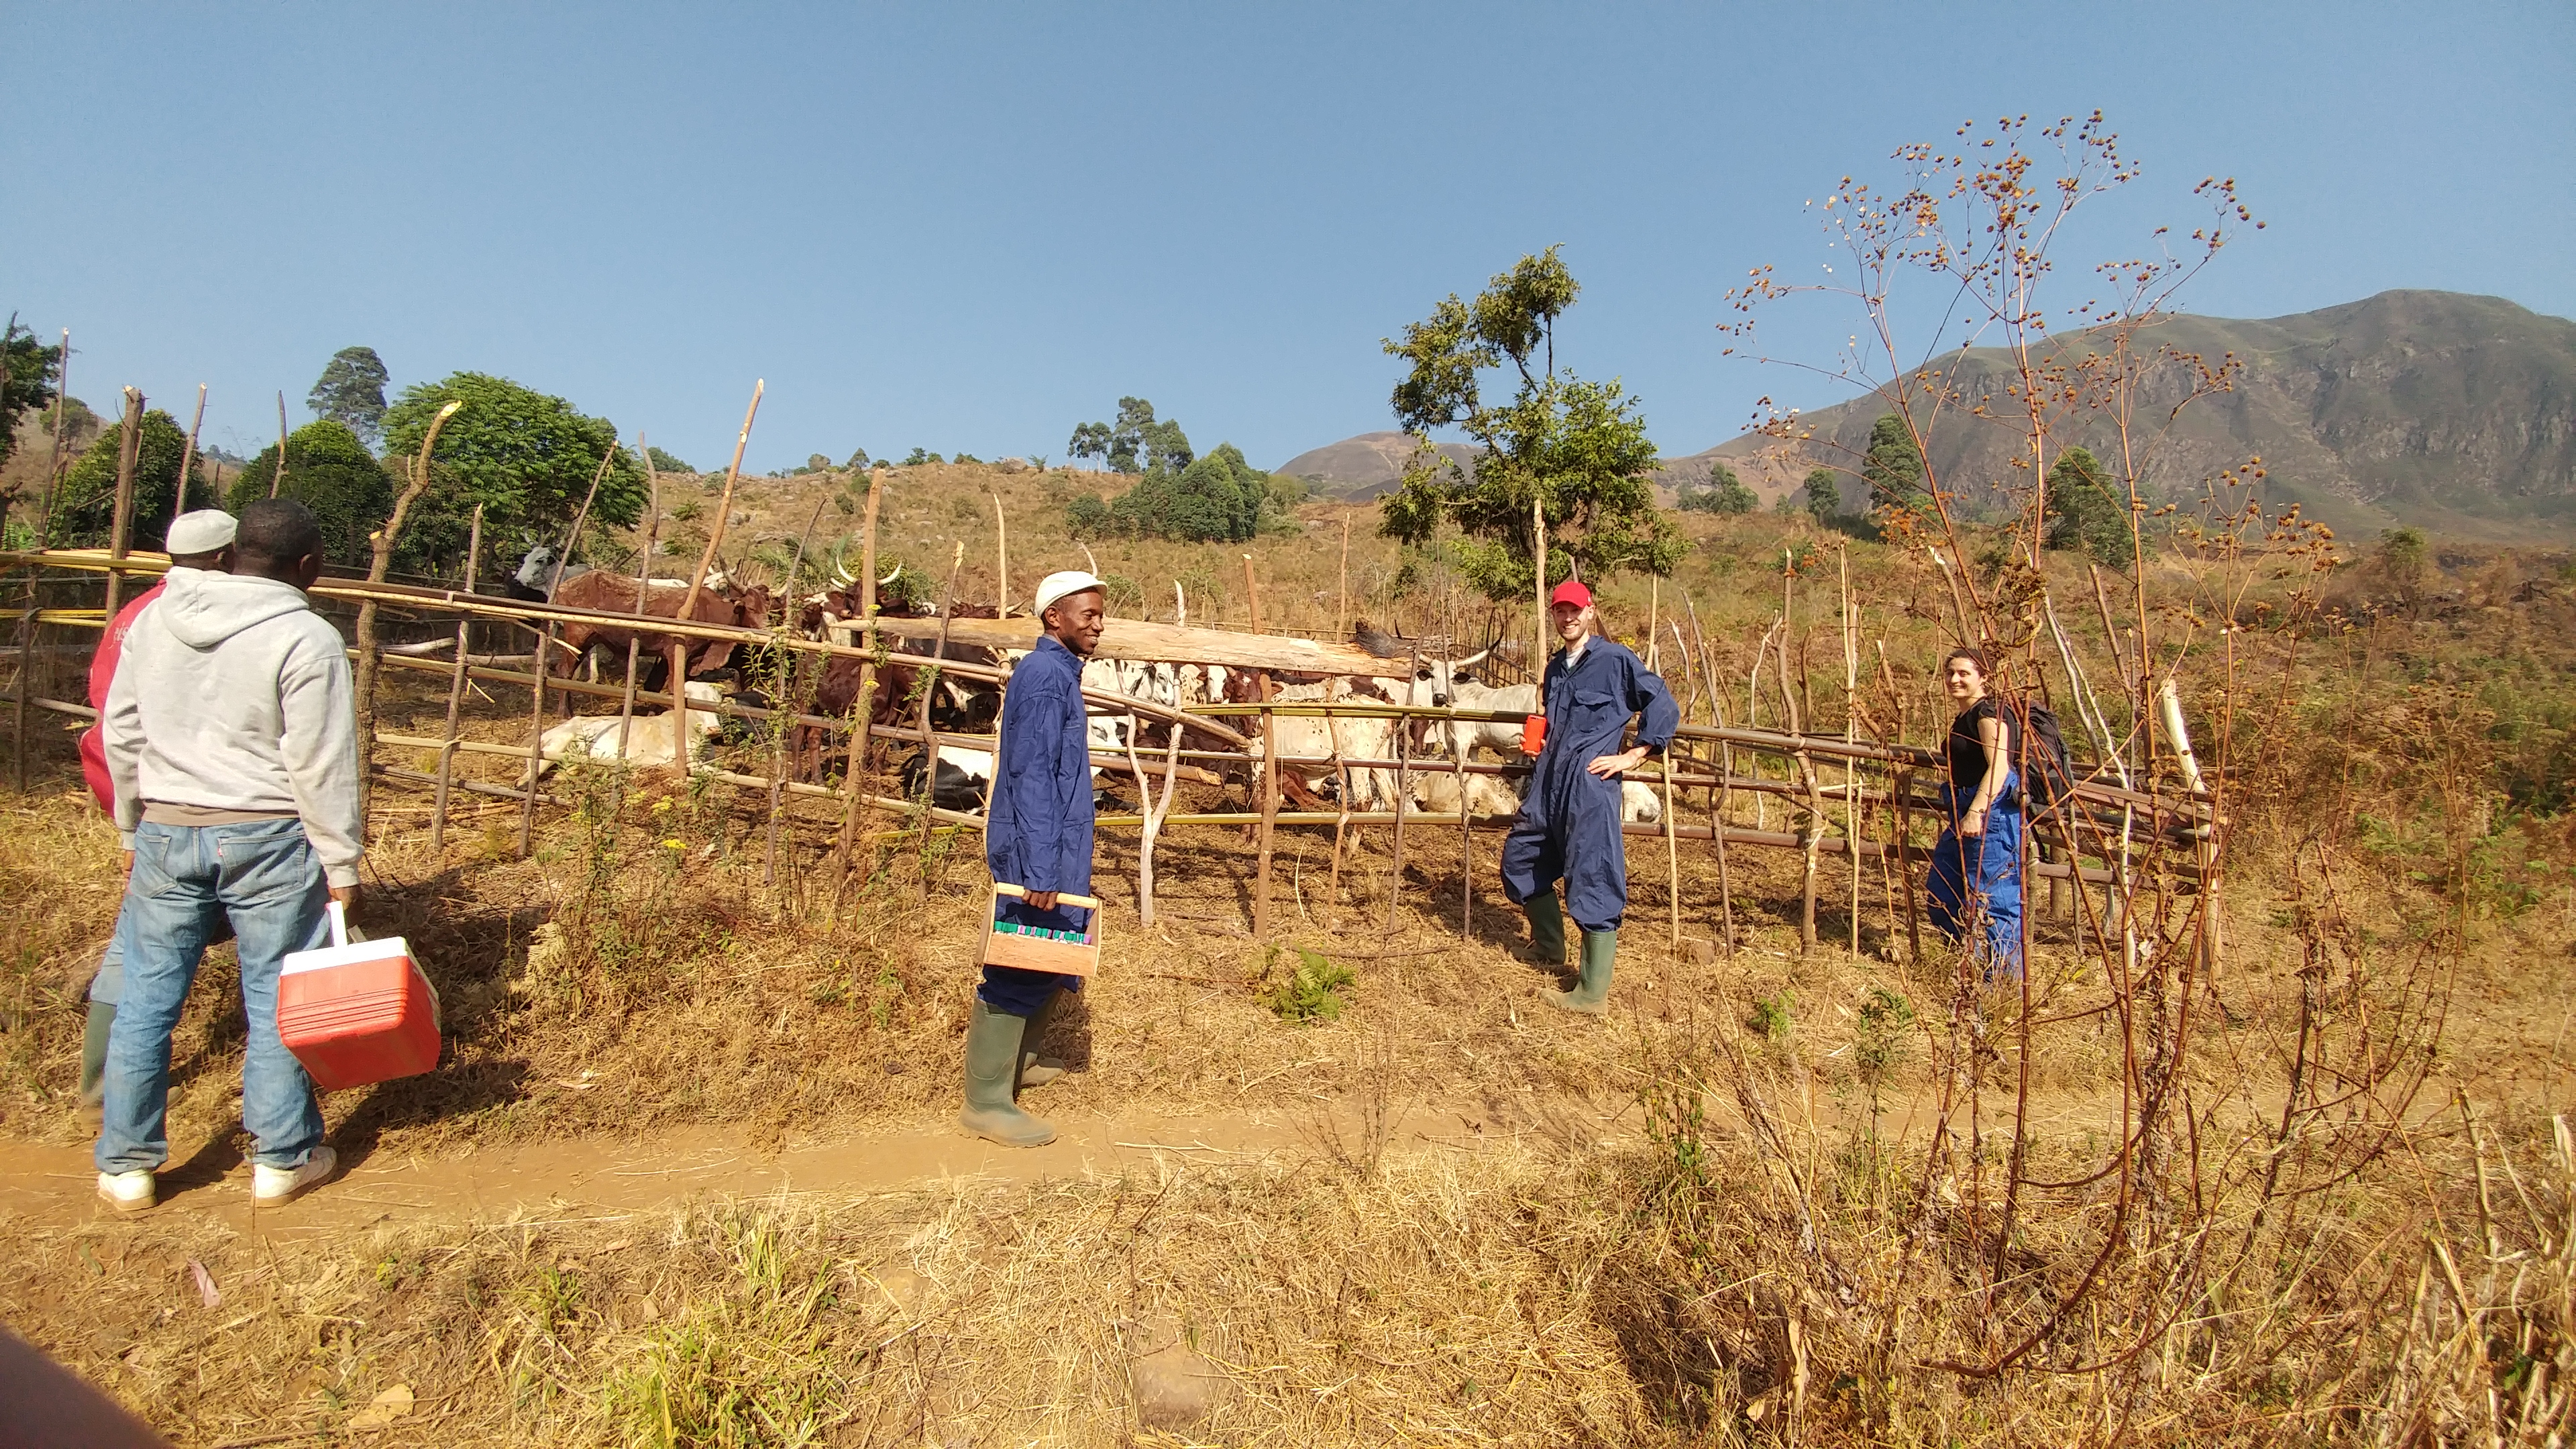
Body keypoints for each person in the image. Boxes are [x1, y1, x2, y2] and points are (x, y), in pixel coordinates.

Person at [93, 499, 361, 1212]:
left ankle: (126, 1164)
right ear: (307, 566)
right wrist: (341, 863)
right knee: (276, 997)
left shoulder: (153, 620)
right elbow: (319, 761)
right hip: (268, 834)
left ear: (235, 550)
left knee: (148, 997)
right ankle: (282, 1158)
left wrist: (131, 823)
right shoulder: (305, 637)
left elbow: (120, 728)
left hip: (166, 825)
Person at [72, 511, 238, 1108]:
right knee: (276, 933)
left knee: (141, 943)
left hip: (149, 802)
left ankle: (103, 1090)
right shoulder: (230, 617)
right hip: (230, 804)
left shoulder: (134, 616)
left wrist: (125, 817)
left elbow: (114, 727)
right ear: (226, 556)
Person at [961, 569, 1108, 1146]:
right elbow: (1032, 779)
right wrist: (1041, 867)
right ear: (1055, 617)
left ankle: (1017, 1065)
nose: (1099, 625)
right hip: (1037, 845)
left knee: (1050, 951)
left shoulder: (1056, 672)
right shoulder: (1047, 676)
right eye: (1088, 615)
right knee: (1018, 961)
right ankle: (986, 1102)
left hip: (1051, 840)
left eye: (1100, 614)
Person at [1499, 580, 1680, 1014]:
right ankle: (1549, 946)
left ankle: (1591, 993)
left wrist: (1635, 755)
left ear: (1591, 611)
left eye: (1575, 610)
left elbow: (1661, 701)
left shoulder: (1616, 660)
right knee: (1521, 858)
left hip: (1589, 787)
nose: (1568, 618)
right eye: (1560, 611)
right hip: (1549, 783)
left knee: (1593, 875)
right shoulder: (1556, 667)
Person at [1925, 645, 2025, 981]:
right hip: (1964, 807)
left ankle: (2001, 983)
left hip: (1990, 811)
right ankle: (1969, 965)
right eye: (1950, 673)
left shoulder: (1988, 713)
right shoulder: (1966, 714)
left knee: (1995, 899)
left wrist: (1977, 811)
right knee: (1943, 889)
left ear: (1984, 678)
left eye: (1964, 673)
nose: (1955, 679)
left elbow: (1999, 767)